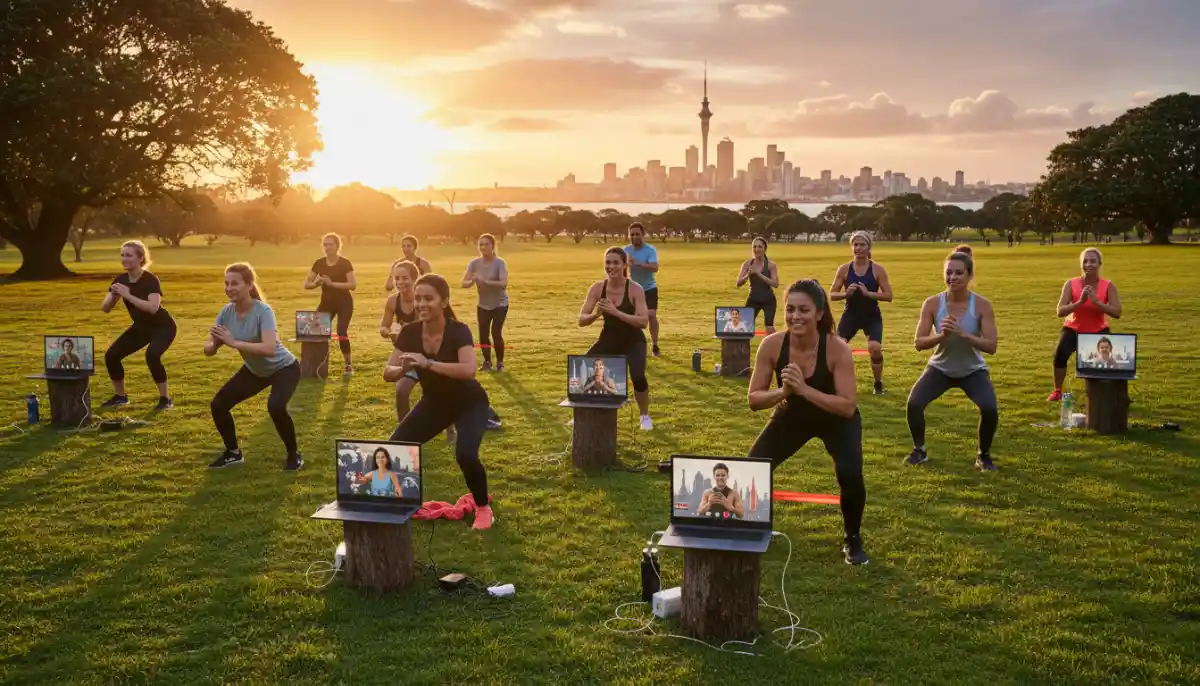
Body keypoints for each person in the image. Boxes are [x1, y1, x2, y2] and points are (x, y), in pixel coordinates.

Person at [746, 279, 868, 565]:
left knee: (850, 473)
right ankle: (754, 527)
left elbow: (848, 406)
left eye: (803, 310)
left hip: (835, 418)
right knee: (754, 466)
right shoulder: (773, 345)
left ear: (819, 313)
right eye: (790, 309)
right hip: (793, 414)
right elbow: (753, 399)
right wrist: (783, 393)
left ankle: (853, 538)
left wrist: (804, 390)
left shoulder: (838, 349)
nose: (795, 316)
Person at [383, 274, 494, 530]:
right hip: (435, 403)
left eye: (428, 298)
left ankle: (483, 507)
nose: (421, 303)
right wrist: (402, 369)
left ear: (444, 301)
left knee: (465, 454)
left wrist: (428, 363)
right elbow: (387, 371)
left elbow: (468, 370)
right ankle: (399, 503)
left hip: (470, 402)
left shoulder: (458, 330)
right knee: (395, 448)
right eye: (418, 298)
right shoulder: (410, 332)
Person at [906, 249, 999, 472]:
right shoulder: (932, 304)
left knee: (989, 409)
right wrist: (942, 336)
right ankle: (920, 450)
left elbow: (992, 346)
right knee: (914, 404)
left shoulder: (982, 305)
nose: (953, 278)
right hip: (940, 368)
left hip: (972, 370)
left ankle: (983, 455)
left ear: (969, 276)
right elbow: (919, 342)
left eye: (959, 273)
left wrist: (964, 334)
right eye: (949, 273)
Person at [205, 263, 303, 471]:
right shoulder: (226, 312)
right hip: (256, 370)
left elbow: (268, 348)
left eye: (235, 283)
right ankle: (233, 453)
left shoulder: (263, 311)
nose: (229, 288)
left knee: (276, 407)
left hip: (284, 368)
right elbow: (208, 349)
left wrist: (234, 342)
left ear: (249, 285)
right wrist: (214, 343)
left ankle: (294, 454)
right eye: (226, 283)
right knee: (219, 404)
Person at [579, 247, 653, 430]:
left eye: (615, 263)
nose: (610, 266)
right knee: (584, 368)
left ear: (624, 265)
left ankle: (644, 416)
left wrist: (616, 312)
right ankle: (583, 413)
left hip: (633, 340)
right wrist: (596, 314)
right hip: (609, 338)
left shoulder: (635, 289)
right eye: (607, 262)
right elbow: (581, 320)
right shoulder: (597, 288)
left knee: (638, 376)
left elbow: (643, 322)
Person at [100, 240, 177, 410]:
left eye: (129, 255)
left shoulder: (150, 280)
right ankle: (121, 397)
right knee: (111, 355)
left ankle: (165, 399)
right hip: (141, 327)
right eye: (122, 255)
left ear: (140, 258)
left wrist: (127, 295)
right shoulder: (120, 280)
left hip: (163, 326)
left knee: (152, 356)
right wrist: (114, 295)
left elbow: (153, 308)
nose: (124, 259)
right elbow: (105, 308)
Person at [1048, 247, 1123, 400]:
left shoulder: (1108, 286)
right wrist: (1080, 302)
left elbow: (1117, 312)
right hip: (1073, 329)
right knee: (1059, 356)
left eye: (1093, 261)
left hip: (1097, 331)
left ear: (1099, 263)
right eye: (1085, 261)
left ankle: (1098, 393)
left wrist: (1096, 302)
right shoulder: (1071, 284)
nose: (1089, 264)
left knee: (1101, 362)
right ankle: (1057, 390)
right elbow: (1060, 311)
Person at [830, 231, 893, 395]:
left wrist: (869, 294)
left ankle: (878, 384)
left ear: (869, 247)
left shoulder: (877, 269)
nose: (858, 248)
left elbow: (888, 295)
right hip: (851, 314)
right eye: (855, 245)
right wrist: (845, 294)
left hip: (871, 314)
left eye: (862, 244)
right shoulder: (844, 269)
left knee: (875, 347)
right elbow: (832, 294)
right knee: (837, 347)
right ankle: (835, 384)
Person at [304, 233, 356, 375]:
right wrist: (316, 283)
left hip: (344, 303)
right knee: (315, 330)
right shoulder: (319, 263)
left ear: (337, 246)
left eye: (330, 244)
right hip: (326, 303)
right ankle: (316, 365)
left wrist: (331, 284)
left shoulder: (345, 263)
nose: (327, 247)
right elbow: (307, 284)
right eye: (325, 245)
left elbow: (352, 285)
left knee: (341, 332)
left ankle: (348, 365)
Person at [380, 260, 421, 423]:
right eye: (396, 278)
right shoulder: (392, 301)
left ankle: (450, 429)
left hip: (428, 350)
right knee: (400, 389)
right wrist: (388, 332)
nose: (400, 282)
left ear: (414, 279)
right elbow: (384, 326)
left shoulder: (422, 300)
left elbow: (425, 331)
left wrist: (403, 333)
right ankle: (405, 429)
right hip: (405, 349)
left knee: (438, 391)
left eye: (404, 278)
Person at [462, 233, 509, 372]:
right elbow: (463, 283)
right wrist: (471, 282)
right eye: (480, 244)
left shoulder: (499, 262)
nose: (483, 247)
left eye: (486, 244)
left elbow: (503, 284)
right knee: (483, 335)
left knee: (496, 333)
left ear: (493, 246)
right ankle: (487, 362)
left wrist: (484, 281)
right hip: (483, 304)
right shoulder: (474, 263)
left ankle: (500, 363)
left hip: (500, 304)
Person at [624, 222, 661, 356]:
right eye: (632, 234)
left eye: (637, 234)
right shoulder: (626, 250)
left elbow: (655, 267)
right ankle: (632, 345)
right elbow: (620, 268)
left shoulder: (650, 250)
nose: (634, 237)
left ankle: (655, 344)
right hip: (633, 289)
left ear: (643, 235)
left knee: (651, 315)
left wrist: (637, 263)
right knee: (631, 318)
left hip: (649, 287)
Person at [737, 237, 779, 334]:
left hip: (768, 300)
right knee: (744, 327)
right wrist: (747, 275)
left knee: (769, 327)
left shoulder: (771, 265)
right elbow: (738, 283)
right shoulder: (747, 264)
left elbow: (775, 284)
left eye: (760, 246)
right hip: (753, 299)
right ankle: (742, 348)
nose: (757, 249)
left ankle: (774, 346)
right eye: (754, 247)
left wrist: (759, 274)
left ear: (765, 249)